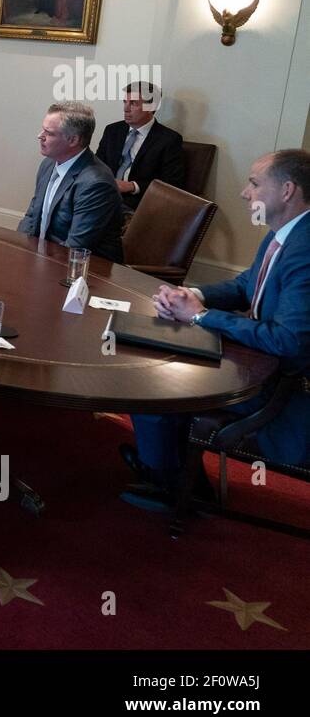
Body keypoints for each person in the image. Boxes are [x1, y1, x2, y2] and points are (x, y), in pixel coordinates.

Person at [120, 150, 310, 511]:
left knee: (153, 382)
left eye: (254, 183)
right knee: (148, 348)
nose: (244, 192)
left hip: (281, 385)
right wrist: (192, 294)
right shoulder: (287, 231)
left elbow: (289, 341)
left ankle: (171, 486)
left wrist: (200, 317)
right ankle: (167, 469)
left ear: (287, 190)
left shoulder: (306, 248)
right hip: (260, 360)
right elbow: (246, 285)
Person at [16, 101, 123, 262]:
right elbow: (32, 216)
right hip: (46, 259)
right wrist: (19, 251)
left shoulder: (96, 183)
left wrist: (37, 266)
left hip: (86, 273)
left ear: (73, 140)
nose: (40, 136)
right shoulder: (49, 163)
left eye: (49, 133)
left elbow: (76, 247)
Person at [93, 81, 186, 212]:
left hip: (136, 203)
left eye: (133, 103)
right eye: (125, 102)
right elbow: (97, 164)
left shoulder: (169, 139)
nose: (125, 108)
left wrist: (132, 186)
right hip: (102, 194)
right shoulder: (113, 130)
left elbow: (172, 184)